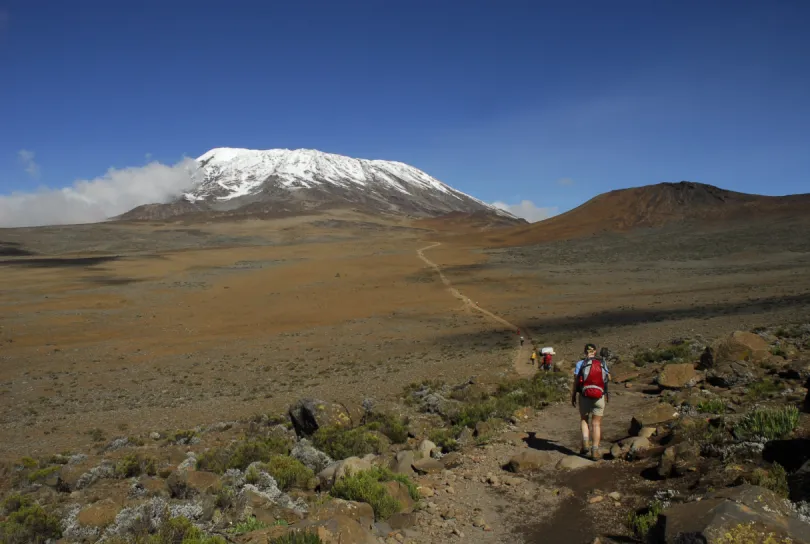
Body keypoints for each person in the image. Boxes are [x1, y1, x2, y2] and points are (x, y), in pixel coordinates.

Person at [571, 343, 610, 459]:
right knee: (596, 424)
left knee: (584, 419)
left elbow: (576, 381)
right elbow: (608, 378)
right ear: (595, 351)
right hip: (599, 396)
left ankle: (585, 444)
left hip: (584, 395)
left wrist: (573, 395)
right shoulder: (602, 363)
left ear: (585, 352)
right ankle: (595, 451)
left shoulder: (580, 364)